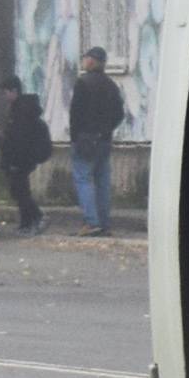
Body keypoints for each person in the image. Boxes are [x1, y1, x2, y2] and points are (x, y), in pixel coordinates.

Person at [68, 46, 124, 237]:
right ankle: (104, 222)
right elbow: (119, 114)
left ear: (91, 61)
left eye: (85, 58)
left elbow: (75, 114)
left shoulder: (83, 83)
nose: (83, 61)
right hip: (104, 140)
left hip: (84, 138)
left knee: (83, 178)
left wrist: (75, 137)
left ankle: (91, 222)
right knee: (102, 180)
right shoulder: (111, 84)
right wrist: (106, 130)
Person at [0, 77, 51, 237]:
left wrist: (15, 160)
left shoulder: (21, 111)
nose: (3, 96)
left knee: (21, 191)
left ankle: (37, 216)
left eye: (5, 92)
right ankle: (26, 223)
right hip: (20, 157)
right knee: (18, 191)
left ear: (14, 91)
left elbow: (20, 138)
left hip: (20, 158)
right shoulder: (18, 108)